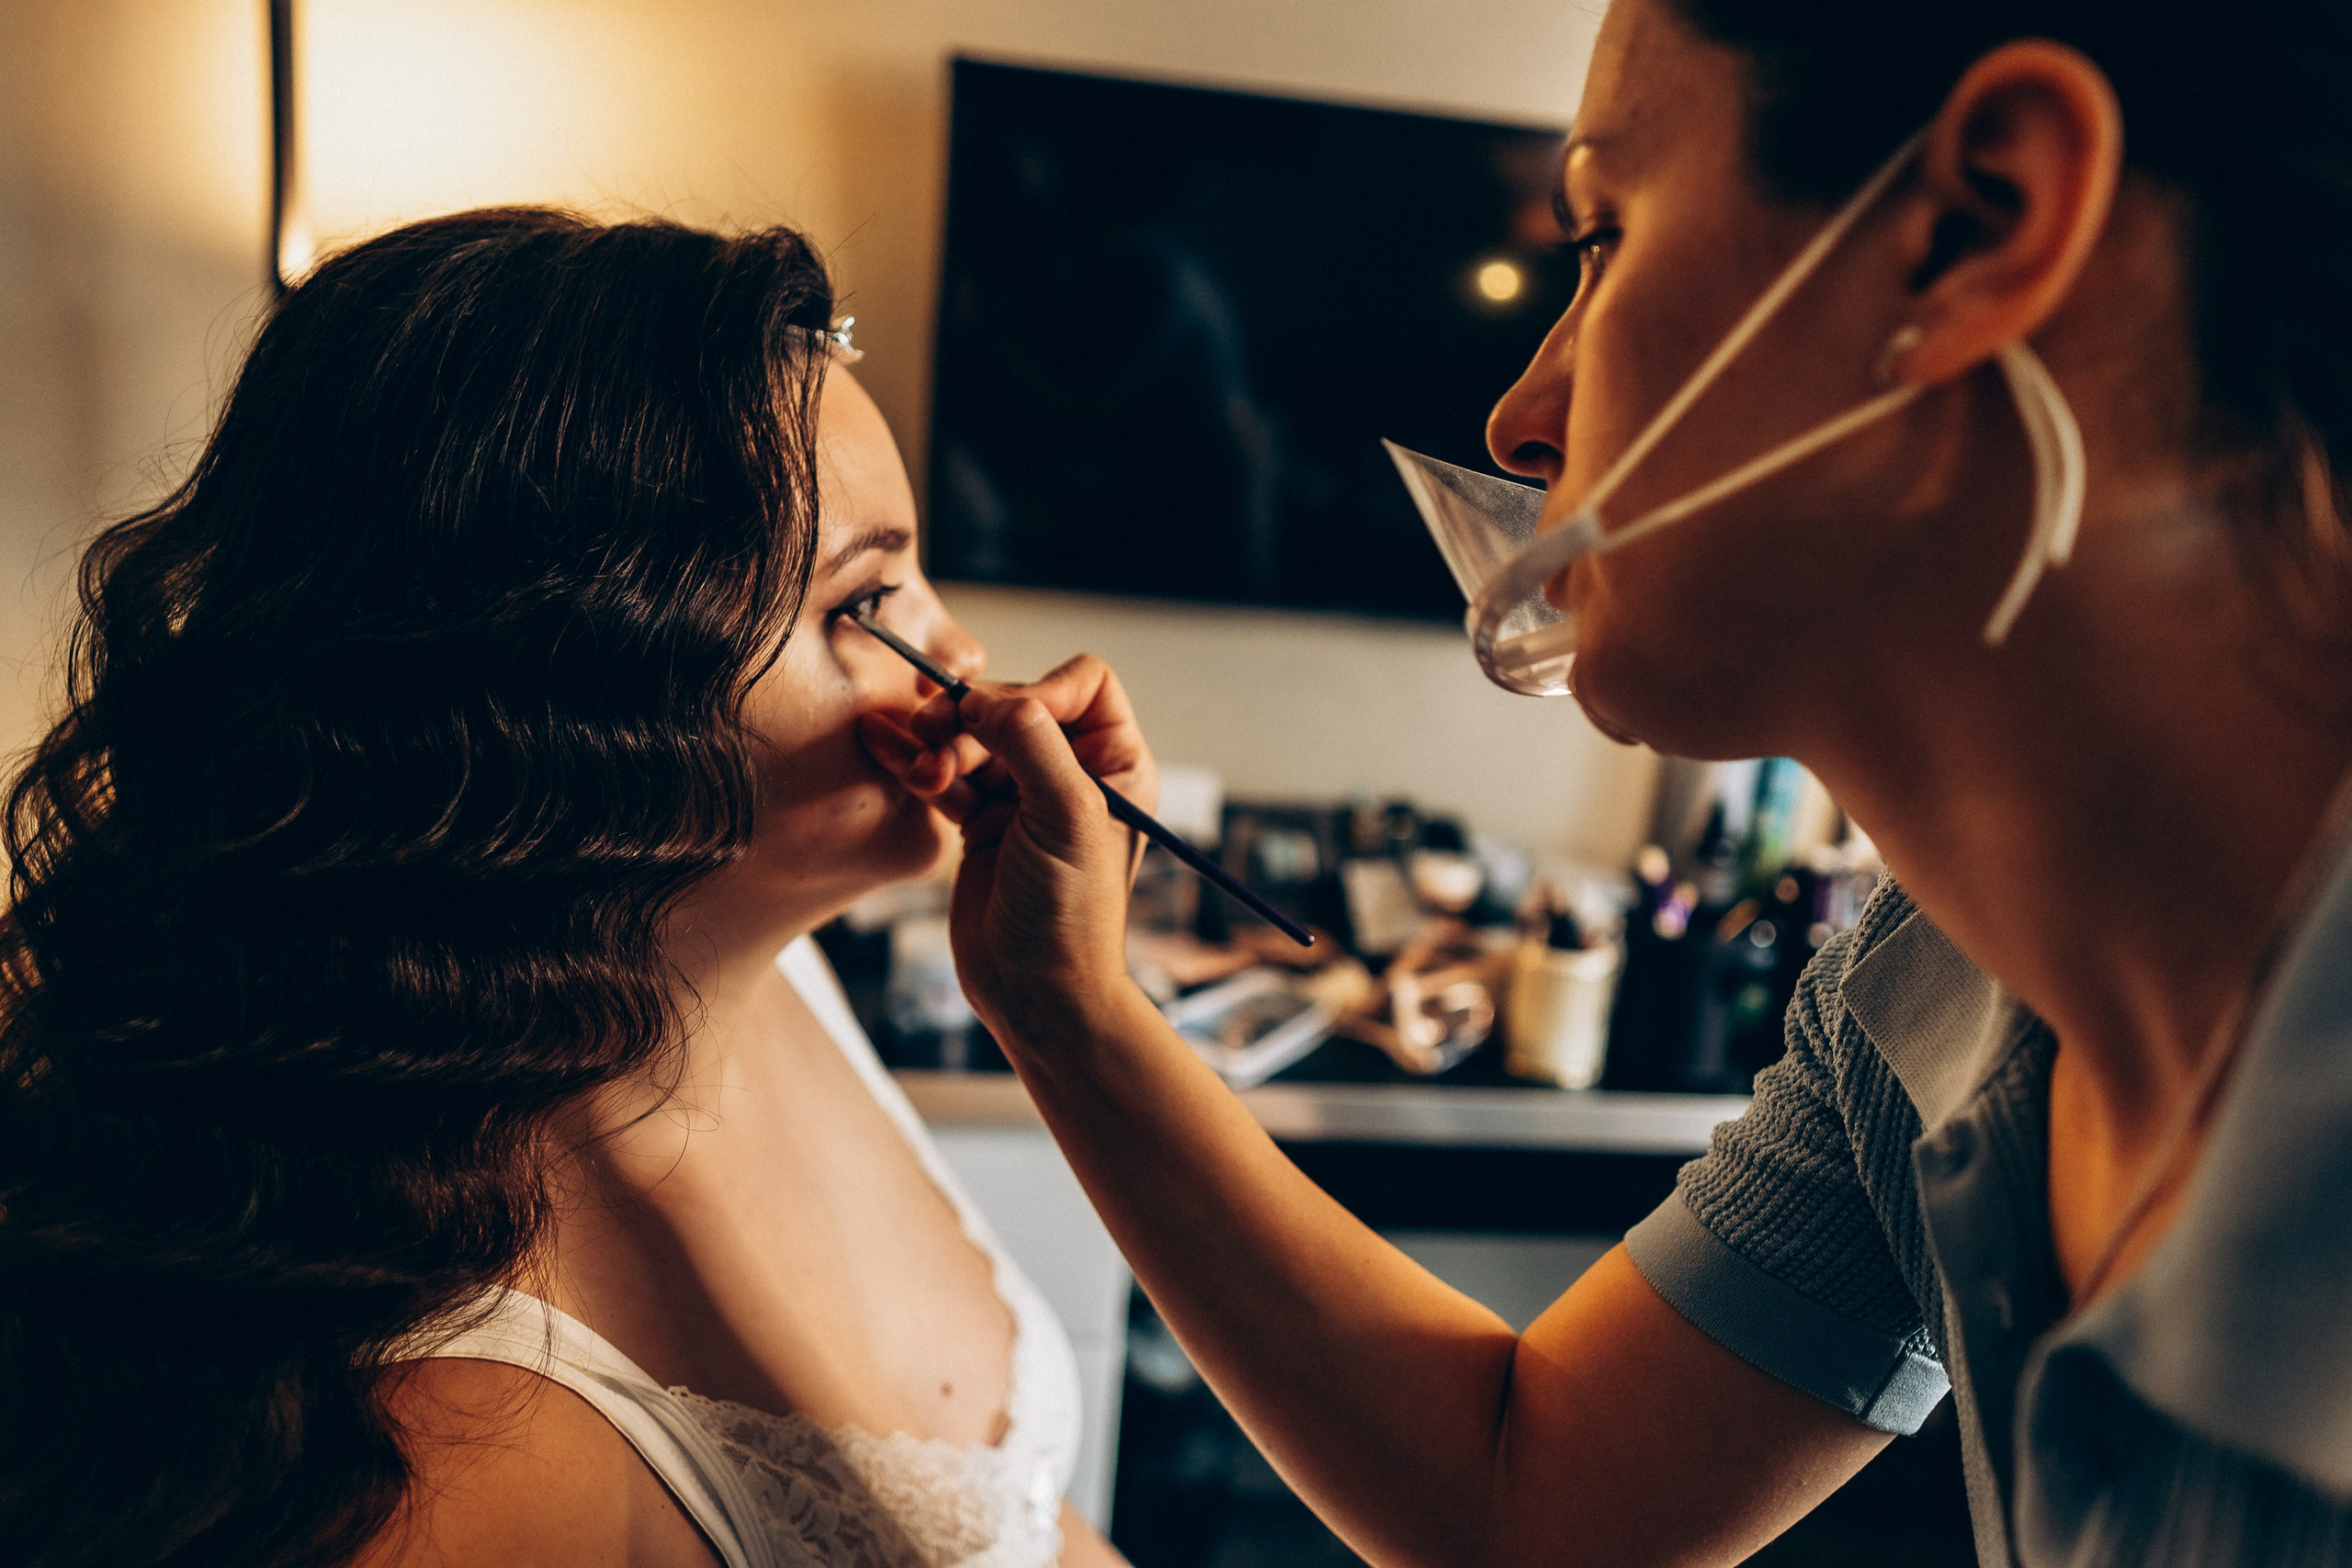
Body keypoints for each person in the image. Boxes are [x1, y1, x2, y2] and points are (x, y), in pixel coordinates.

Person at [859, 1, 2352, 1563]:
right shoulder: (1922, 1000)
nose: (1519, 418)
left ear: (1976, 228)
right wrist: (1068, 1006)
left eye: (1603, 237)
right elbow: (1534, 1506)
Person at [0, 210, 1123, 1567]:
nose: (960, 653)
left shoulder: (777, 971)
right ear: (581, 688)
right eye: (867, 603)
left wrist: (1077, 1007)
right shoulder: (462, 1460)